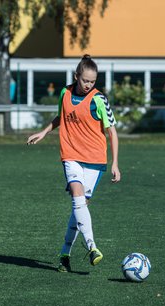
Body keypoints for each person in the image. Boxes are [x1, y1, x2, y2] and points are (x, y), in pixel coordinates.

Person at [27, 54, 121, 272]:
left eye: (92, 81)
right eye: (85, 80)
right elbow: (61, 116)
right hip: (70, 155)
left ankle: (64, 253)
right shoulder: (64, 93)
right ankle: (92, 247)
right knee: (77, 197)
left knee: (80, 207)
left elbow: (112, 132)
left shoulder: (99, 99)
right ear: (76, 76)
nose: (88, 85)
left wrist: (115, 163)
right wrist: (44, 132)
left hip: (95, 160)